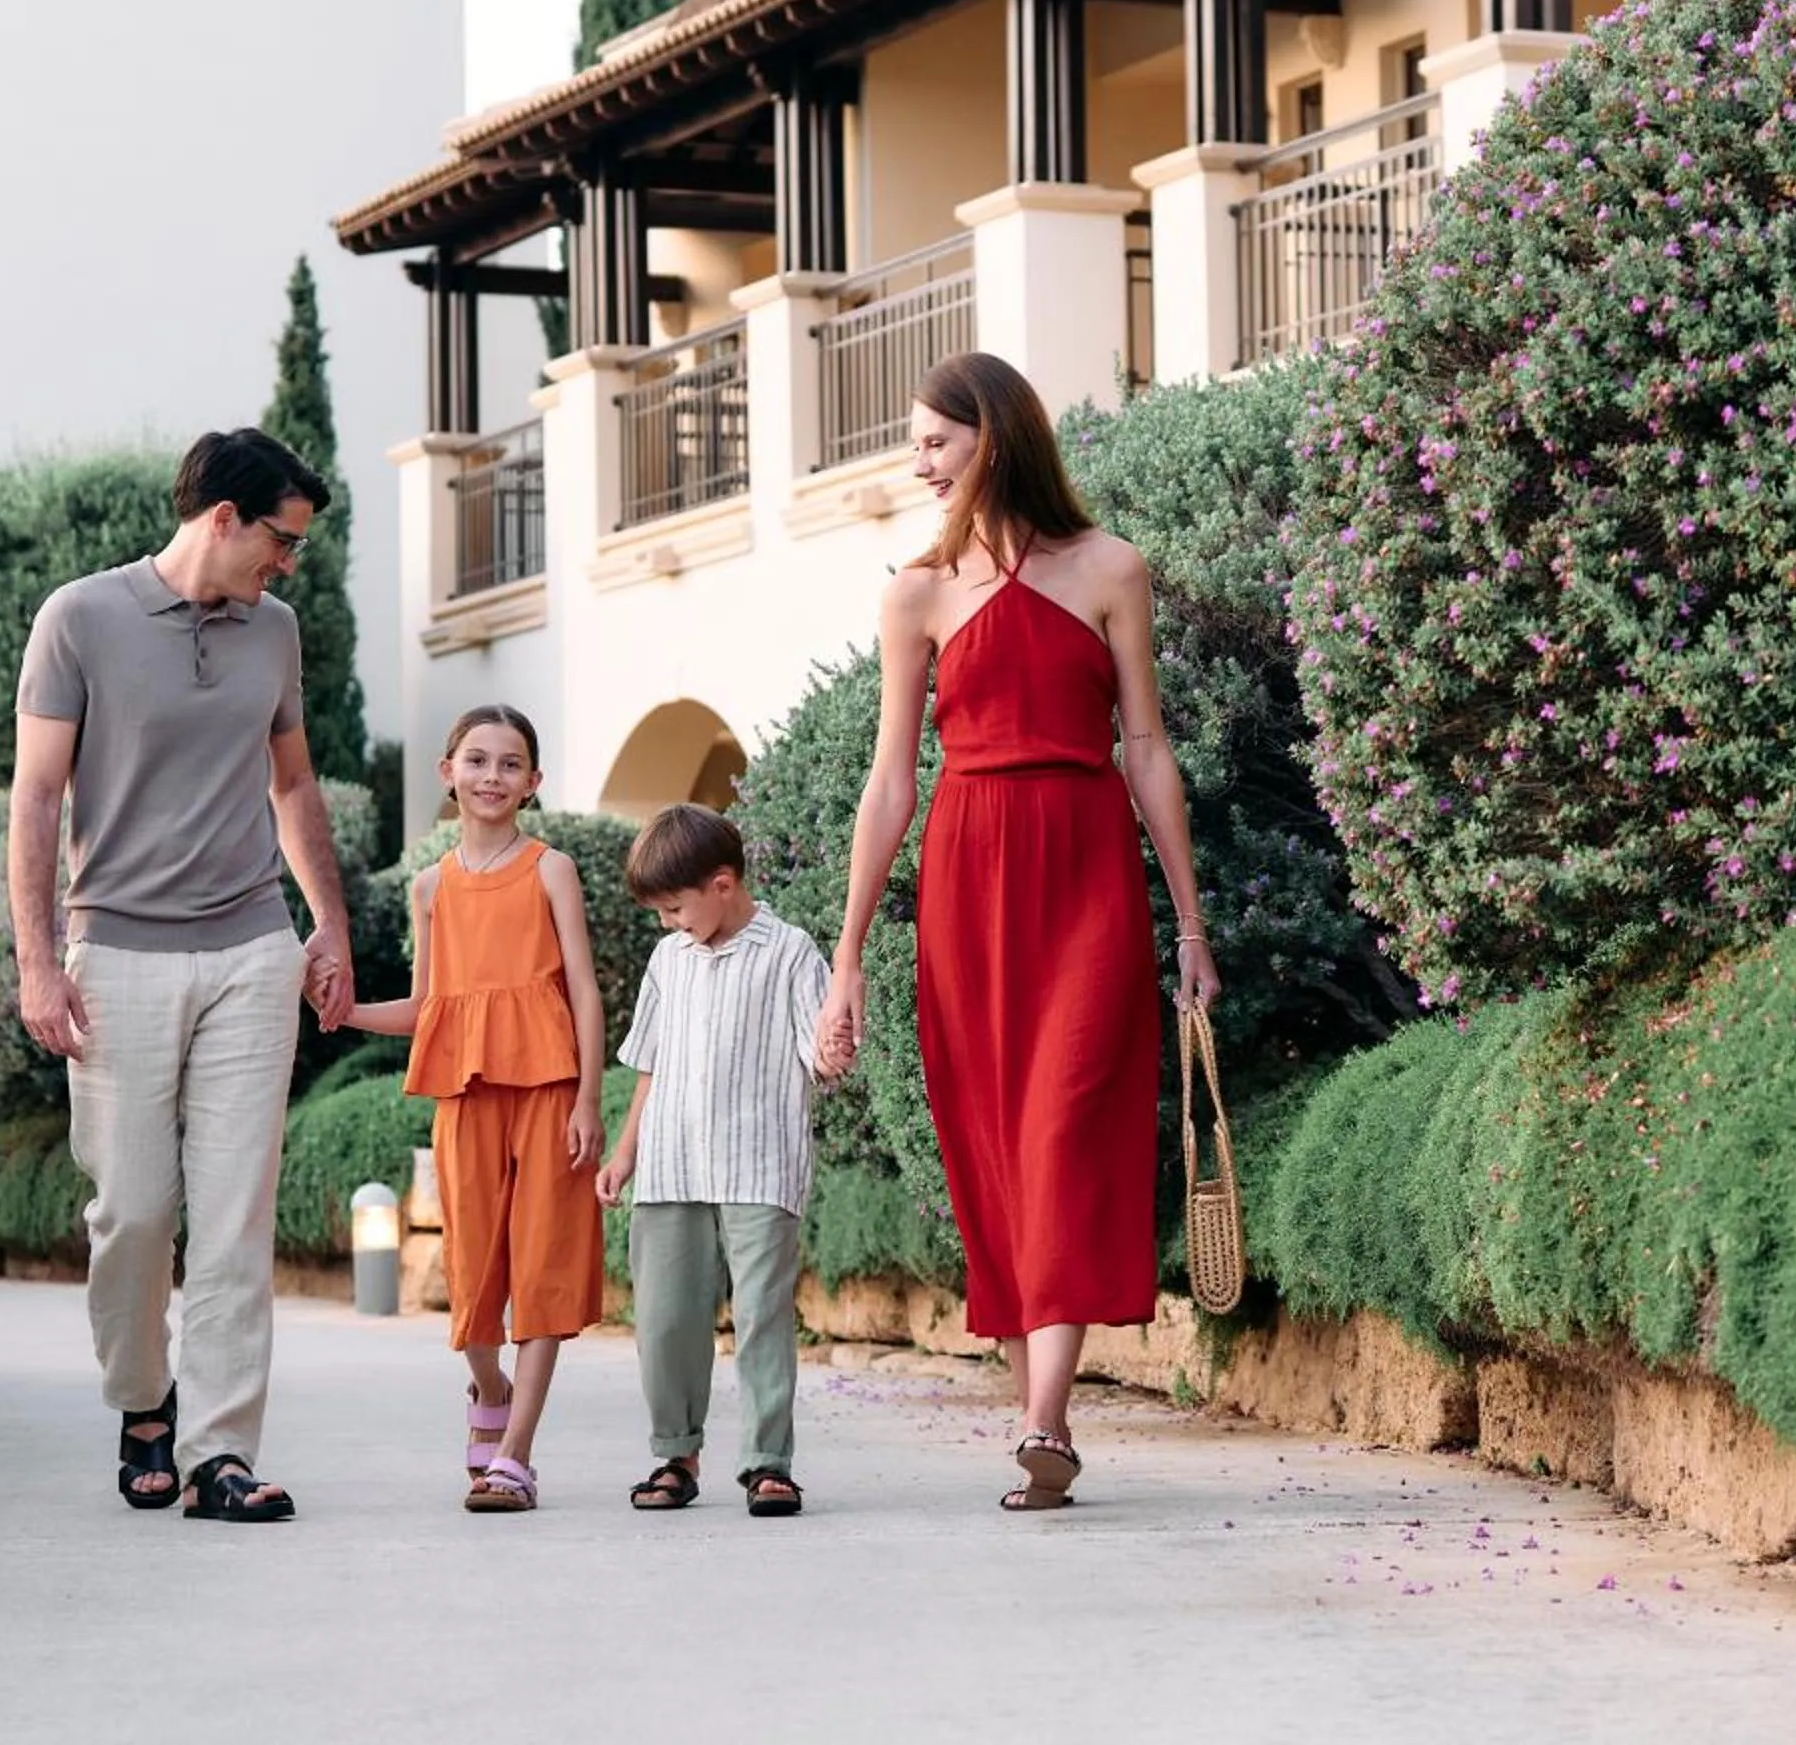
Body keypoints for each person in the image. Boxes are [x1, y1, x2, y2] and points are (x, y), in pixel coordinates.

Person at [814, 350, 1221, 1514]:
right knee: (992, 1138)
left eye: (934, 440)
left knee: (1065, 1122)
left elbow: (1146, 748)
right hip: (968, 875)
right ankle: (1039, 1406)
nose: (918, 460)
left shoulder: (1111, 569)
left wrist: (1189, 922)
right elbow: (891, 781)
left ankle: (1045, 1418)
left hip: (1087, 863)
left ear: (993, 436)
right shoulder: (917, 592)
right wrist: (846, 958)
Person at [10, 426, 357, 1524]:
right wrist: (37, 961)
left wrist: (327, 925)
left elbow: (293, 785)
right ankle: (142, 1399)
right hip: (116, 950)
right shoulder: (80, 618)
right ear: (222, 518)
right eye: (281, 541)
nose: (287, 566)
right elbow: (36, 798)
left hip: (251, 947)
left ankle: (219, 1452)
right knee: (136, 1213)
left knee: (236, 1213)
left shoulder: (276, 633)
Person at [342, 704, 606, 1513]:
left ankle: (516, 1457)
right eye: (478, 760)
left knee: (544, 1266)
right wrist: (345, 1012)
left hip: (551, 1089)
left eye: (510, 763)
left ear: (533, 783)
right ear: (447, 771)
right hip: (465, 1096)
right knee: (474, 1278)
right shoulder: (431, 889)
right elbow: (431, 1007)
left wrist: (589, 1097)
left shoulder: (551, 868)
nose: (493, 776)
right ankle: (487, 1390)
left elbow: (587, 990)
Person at [595, 803, 833, 1520]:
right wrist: (625, 1149)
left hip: (760, 1163)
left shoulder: (791, 952)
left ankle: (768, 1463)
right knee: (666, 1317)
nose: (668, 923)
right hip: (670, 1164)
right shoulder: (670, 959)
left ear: (723, 883)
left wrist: (834, 1047)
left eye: (674, 907)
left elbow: (818, 1055)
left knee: (762, 1314)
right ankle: (675, 1452)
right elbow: (650, 1065)